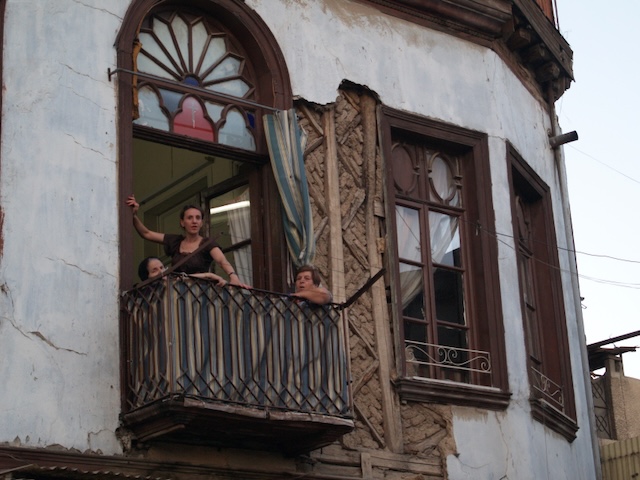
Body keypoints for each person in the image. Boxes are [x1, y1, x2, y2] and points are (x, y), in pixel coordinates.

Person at [126, 194, 249, 288]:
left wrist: (233, 277)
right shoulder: (175, 241)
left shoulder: (207, 244)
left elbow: (222, 261)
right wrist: (134, 215)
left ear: (201, 223)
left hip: (200, 293)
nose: (194, 221)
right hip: (177, 292)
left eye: (198, 218)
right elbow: (146, 233)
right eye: (190, 218)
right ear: (182, 222)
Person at [137, 256, 227, 286]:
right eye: (154, 270)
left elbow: (206, 275)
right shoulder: (145, 296)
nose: (161, 272)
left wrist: (218, 279)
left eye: (162, 267)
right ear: (146, 277)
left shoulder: (175, 280)